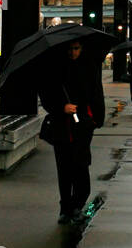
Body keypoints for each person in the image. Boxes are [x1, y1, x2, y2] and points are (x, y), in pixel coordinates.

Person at [38, 40, 105, 224]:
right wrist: (62, 107)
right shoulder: (54, 69)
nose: (72, 53)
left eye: (76, 48)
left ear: (82, 48)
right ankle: (65, 208)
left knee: (80, 165)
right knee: (64, 168)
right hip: (61, 125)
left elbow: (96, 94)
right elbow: (46, 95)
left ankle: (77, 203)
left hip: (82, 125)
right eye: (69, 49)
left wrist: (94, 120)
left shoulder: (89, 68)